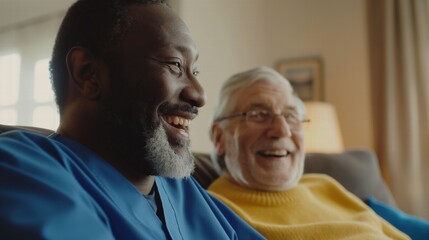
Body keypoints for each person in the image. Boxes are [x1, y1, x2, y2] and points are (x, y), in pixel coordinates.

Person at [0, 1, 265, 239]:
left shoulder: (184, 191)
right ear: (88, 74)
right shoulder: (18, 167)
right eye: (175, 65)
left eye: (194, 70)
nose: (199, 94)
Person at [207, 66, 410, 239]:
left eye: (290, 116)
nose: (282, 130)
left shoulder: (325, 186)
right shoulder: (213, 212)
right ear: (219, 138)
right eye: (258, 115)